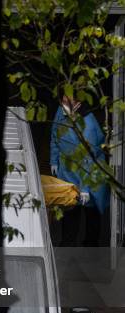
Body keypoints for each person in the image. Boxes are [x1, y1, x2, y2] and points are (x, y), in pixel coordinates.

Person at [50, 95, 109, 246]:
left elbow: (88, 157)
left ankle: (90, 245)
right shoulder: (62, 110)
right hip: (68, 170)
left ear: (77, 103)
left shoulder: (87, 123)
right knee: (70, 209)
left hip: (89, 172)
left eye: (67, 101)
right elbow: (55, 133)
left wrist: (85, 188)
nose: (63, 105)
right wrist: (54, 159)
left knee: (92, 212)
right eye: (62, 100)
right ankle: (67, 243)